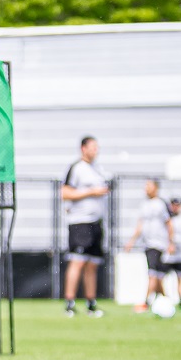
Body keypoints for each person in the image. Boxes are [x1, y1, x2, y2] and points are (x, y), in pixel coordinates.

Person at [61, 136, 110, 318]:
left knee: (92, 265)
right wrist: (91, 191)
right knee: (78, 262)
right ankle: (69, 303)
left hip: (96, 223)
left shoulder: (98, 169)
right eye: (93, 147)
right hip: (80, 223)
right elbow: (64, 192)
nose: (96, 150)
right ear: (83, 148)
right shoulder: (77, 168)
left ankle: (91, 304)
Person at [124, 179, 175, 313]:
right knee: (157, 274)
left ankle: (146, 303)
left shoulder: (161, 204)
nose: (145, 188)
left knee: (152, 273)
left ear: (156, 188)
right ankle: (166, 300)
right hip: (147, 243)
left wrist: (171, 243)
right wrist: (131, 241)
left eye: (148, 186)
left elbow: (169, 223)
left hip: (158, 243)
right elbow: (140, 225)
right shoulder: (144, 205)